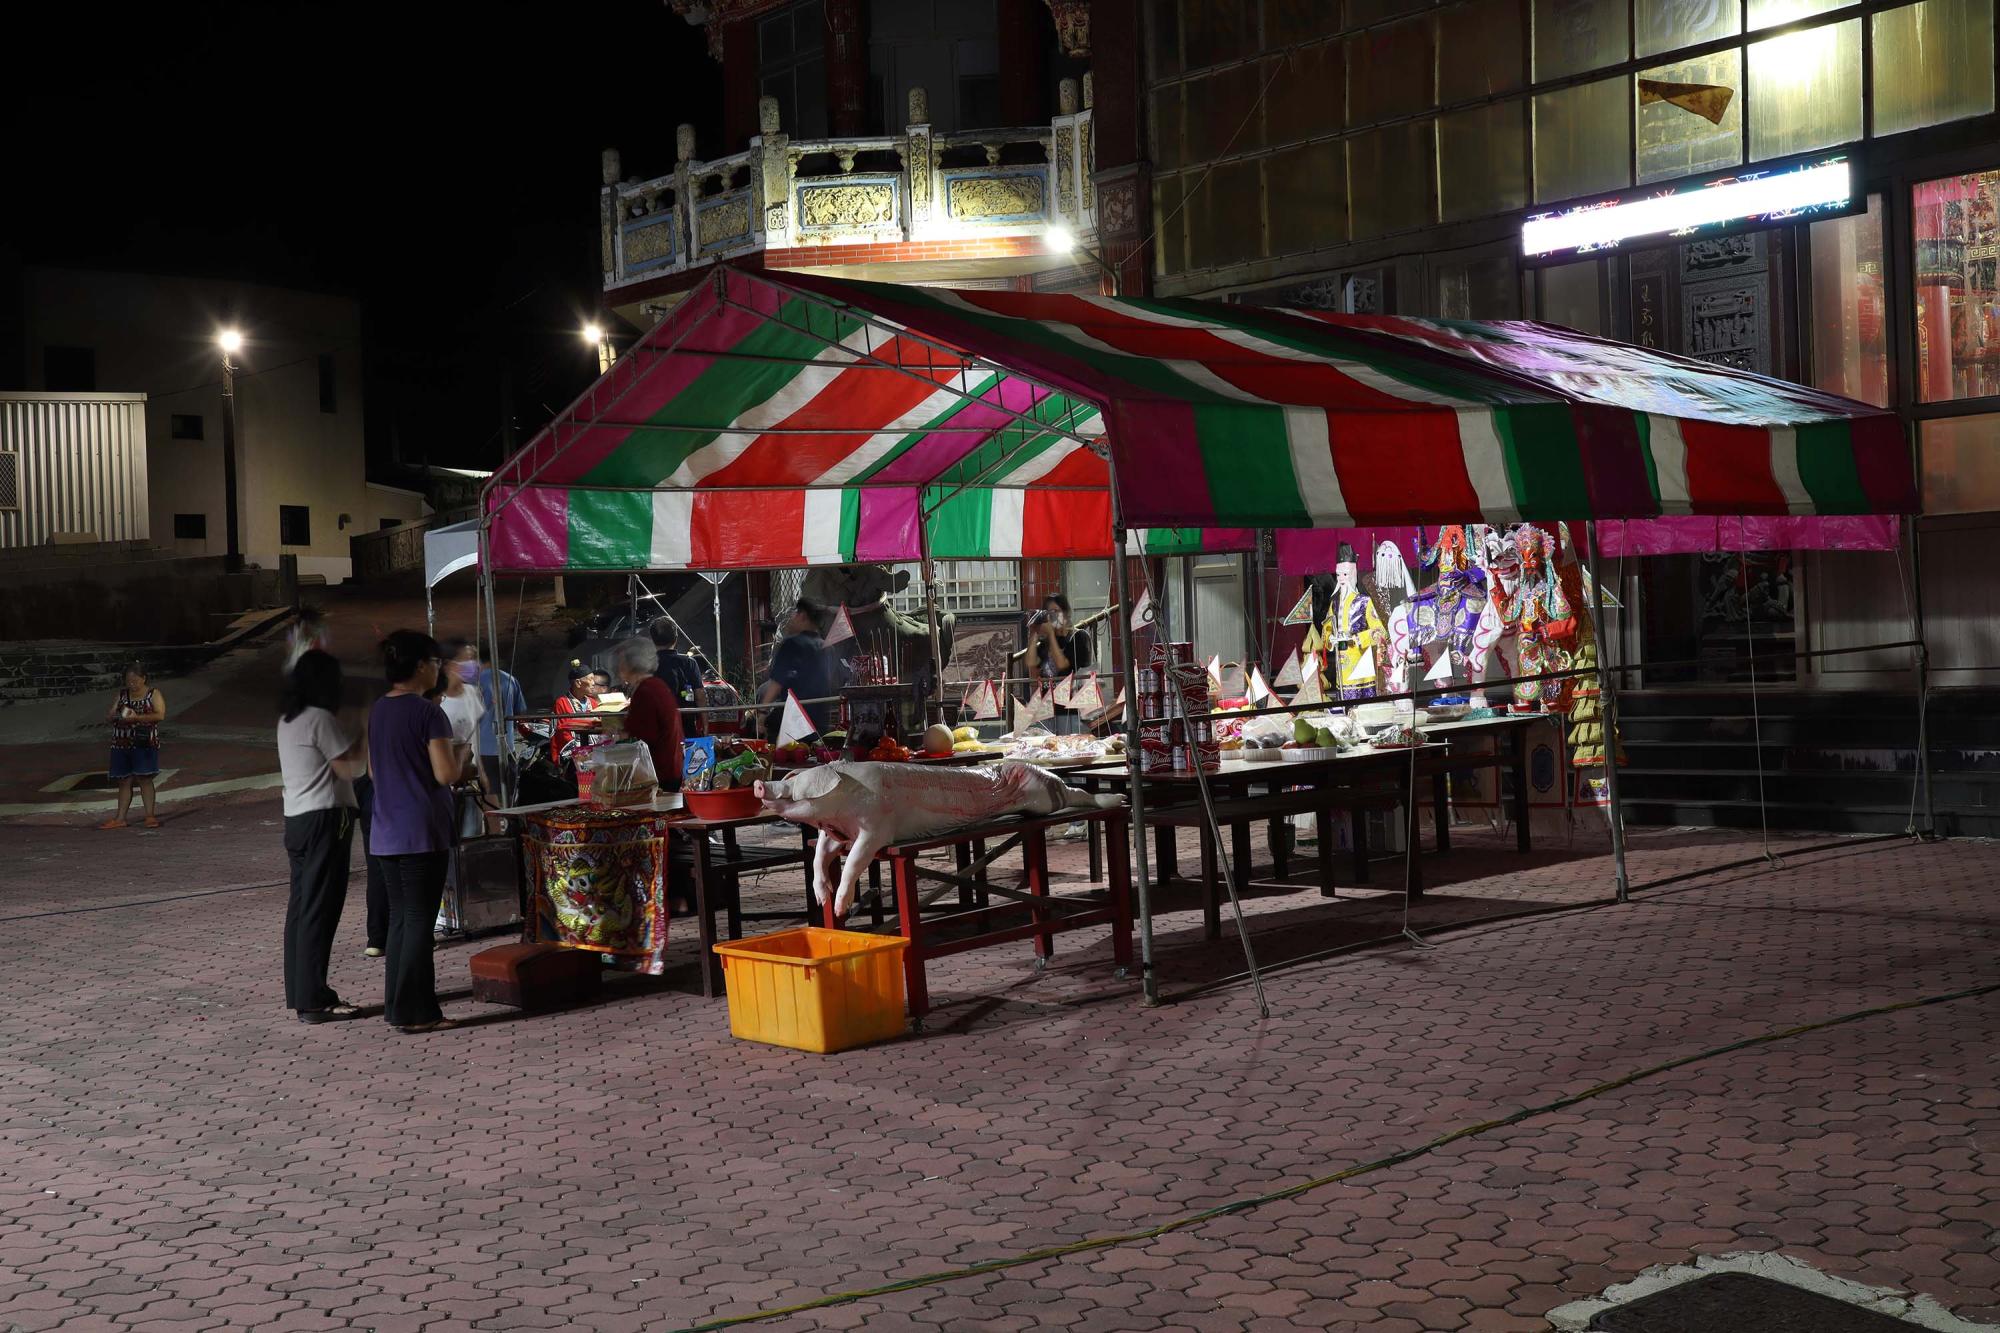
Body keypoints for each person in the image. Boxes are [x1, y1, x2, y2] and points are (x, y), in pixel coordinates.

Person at [366, 630, 472, 1035]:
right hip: (421, 830)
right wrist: (462, 757)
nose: (438, 669)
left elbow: (373, 771)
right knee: (418, 923)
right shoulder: (428, 713)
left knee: (400, 920)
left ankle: (399, 1007)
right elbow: (445, 774)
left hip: (386, 830)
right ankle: (419, 1012)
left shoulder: (379, 709)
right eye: (435, 662)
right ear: (422, 666)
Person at [276, 649, 369, 1023]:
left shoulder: (288, 719)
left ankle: (303, 993)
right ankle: (315, 999)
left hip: (297, 819)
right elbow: (349, 769)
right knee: (320, 908)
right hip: (325, 818)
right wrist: (364, 730)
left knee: (301, 909)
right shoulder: (319, 719)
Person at [612, 637, 692, 915]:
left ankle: (673, 897)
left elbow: (641, 737)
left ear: (629, 664)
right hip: (669, 767)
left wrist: (619, 731)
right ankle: (675, 896)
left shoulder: (646, 691)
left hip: (657, 772)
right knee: (666, 835)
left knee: (659, 836)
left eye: (621, 661)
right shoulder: (657, 687)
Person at [100, 663, 166, 830]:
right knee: (123, 780)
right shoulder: (122, 695)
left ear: (144, 678)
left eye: (135, 680)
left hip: (143, 742)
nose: (132, 684)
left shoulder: (153, 694)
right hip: (121, 742)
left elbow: (160, 715)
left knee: (144, 778)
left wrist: (137, 718)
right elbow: (110, 714)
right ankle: (120, 818)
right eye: (129, 681)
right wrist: (113, 716)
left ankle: (150, 816)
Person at [756, 599, 831, 737]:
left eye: (794, 613)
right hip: (820, 722)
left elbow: (776, 684)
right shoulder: (826, 646)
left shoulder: (792, 644)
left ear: (802, 616)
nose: (791, 618)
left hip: (794, 722)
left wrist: (761, 716)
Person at [1026, 594, 1092, 735]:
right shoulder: (1045, 643)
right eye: (1049, 613)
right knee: (1048, 745)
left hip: (1070, 708)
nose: (1052, 616)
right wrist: (1034, 634)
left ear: (1066, 613)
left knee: (1068, 743)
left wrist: (1050, 635)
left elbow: (1062, 665)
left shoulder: (1078, 637)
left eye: (1056, 611)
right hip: (1046, 708)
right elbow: (1031, 662)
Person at [467, 642, 528, 794]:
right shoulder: (511, 679)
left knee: (490, 796)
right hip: (508, 747)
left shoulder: (474, 682)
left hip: (483, 749)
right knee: (509, 794)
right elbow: (521, 712)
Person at [648, 618, 707, 737]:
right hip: (686, 725)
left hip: (655, 726)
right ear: (676, 637)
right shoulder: (689, 662)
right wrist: (705, 725)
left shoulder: (645, 665)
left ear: (652, 640)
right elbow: (700, 695)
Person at [551, 660, 603, 768]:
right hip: (575, 753)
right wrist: (581, 751)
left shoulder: (593, 702)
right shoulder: (561, 703)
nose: (594, 683)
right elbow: (562, 732)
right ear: (578, 683)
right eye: (590, 679)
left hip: (596, 751)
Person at [285, 606, 332, 674]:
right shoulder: (302, 628)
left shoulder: (302, 628)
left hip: (301, 665)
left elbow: (290, 646)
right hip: (301, 666)